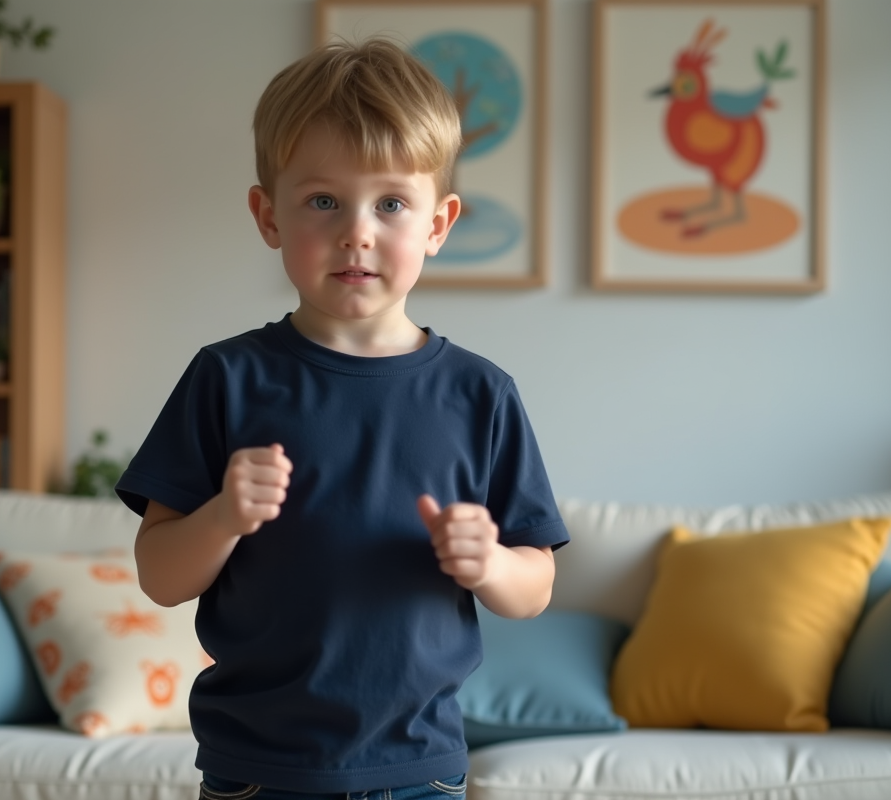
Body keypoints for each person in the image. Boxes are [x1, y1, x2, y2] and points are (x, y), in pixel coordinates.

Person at [114, 37, 569, 800]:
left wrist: (489, 561)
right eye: (323, 200)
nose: (357, 230)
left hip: (421, 768)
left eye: (391, 203)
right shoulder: (225, 377)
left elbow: (536, 586)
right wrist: (225, 514)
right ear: (268, 215)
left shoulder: (481, 394)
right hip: (257, 771)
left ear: (439, 223)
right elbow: (160, 575)